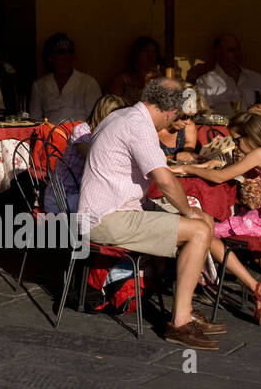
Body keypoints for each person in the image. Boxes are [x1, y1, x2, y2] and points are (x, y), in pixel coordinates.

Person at [76, 77, 220, 349]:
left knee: (202, 219)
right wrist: (188, 212)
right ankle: (180, 322)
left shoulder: (122, 115)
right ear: (170, 112)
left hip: (106, 211)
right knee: (198, 228)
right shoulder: (137, 126)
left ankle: (184, 308)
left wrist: (190, 212)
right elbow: (164, 180)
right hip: (107, 218)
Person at [172, 112, 261, 324]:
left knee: (206, 230)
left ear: (251, 136)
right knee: (242, 220)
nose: (236, 144)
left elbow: (220, 178)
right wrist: (218, 166)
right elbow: (247, 173)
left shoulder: (260, 154)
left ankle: (257, 287)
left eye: (238, 139)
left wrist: (189, 168)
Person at [49, 94, 126, 214]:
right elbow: (94, 159)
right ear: (105, 116)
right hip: (63, 197)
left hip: (83, 195)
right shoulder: (82, 131)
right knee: (114, 205)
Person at [29, 33, 101, 124]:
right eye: (61, 52)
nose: (67, 56)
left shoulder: (88, 83)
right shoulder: (39, 85)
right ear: (50, 57)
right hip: (49, 134)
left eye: (70, 51)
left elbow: (96, 119)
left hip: (81, 135)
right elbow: (35, 119)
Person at [193, 34, 261, 116]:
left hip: (253, 127)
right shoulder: (205, 82)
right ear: (218, 52)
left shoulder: (256, 79)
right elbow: (202, 114)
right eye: (231, 50)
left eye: (238, 49)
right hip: (222, 128)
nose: (237, 53)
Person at [109, 36, 163, 106]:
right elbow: (111, 105)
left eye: (153, 51)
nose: (150, 55)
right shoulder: (123, 80)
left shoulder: (161, 80)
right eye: (145, 51)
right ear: (136, 54)